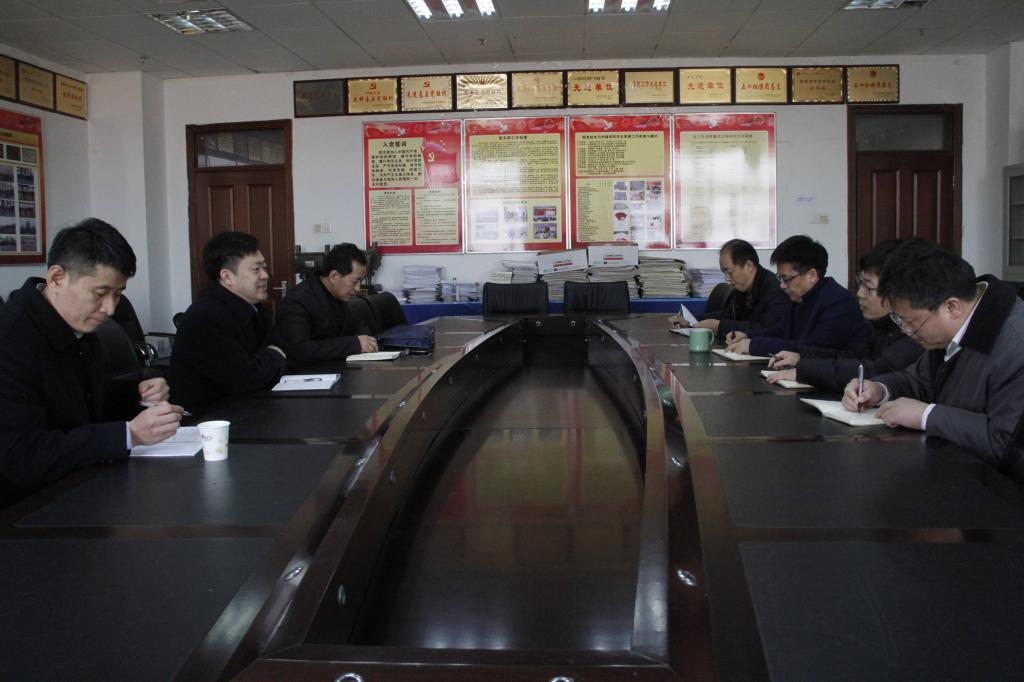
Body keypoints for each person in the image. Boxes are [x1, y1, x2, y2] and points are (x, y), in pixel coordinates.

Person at [0, 218, 182, 500]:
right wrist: (128, 435)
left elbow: (83, 404)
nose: (109, 309)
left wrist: (139, 394)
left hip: (82, 482)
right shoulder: (10, 339)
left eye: (117, 295)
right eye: (100, 293)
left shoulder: (78, 327)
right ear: (56, 278)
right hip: (25, 506)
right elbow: (23, 455)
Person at [842, 238, 1024, 481]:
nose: (908, 331)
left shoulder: (1015, 344)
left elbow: (1004, 444)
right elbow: (920, 380)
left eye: (911, 322)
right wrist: (879, 389)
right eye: (900, 321)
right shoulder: (955, 326)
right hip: (954, 469)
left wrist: (927, 416)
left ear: (952, 307)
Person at [765, 240, 923, 392]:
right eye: (860, 284)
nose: (860, 294)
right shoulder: (877, 323)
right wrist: (801, 358)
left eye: (868, 287)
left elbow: (877, 370)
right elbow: (853, 356)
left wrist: (807, 370)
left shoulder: (917, 331)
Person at [169, 231, 287, 415]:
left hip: (249, 406)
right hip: (209, 419)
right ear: (227, 277)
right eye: (256, 270)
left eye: (264, 267)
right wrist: (275, 355)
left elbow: (281, 346)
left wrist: (271, 355)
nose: (265, 275)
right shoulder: (206, 316)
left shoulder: (252, 306)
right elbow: (247, 377)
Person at [726, 235, 869, 357]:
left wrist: (754, 345)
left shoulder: (838, 302)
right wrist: (747, 336)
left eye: (786, 279)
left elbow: (810, 349)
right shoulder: (799, 296)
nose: (782, 286)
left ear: (811, 275)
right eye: (780, 278)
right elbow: (780, 330)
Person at [275, 243, 378, 365]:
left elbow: (360, 326)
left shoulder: (338, 296)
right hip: (305, 372)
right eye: (355, 282)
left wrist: (364, 341)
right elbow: (301, 350)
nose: (357, 289)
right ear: (334, 276)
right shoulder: (298, 301)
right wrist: (354, 344)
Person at [670, 238, 787, 339]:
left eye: (729, 272)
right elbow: (728, 315)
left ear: (749, 266)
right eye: (724, 273)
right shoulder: (742, 289)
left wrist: (719, 326)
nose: (727, 278)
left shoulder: (775, 291)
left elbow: (765, 329)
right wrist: (692, 320)